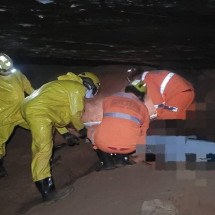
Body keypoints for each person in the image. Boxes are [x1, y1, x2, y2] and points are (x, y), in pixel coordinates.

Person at [21, 72, 100, 201]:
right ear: (91, 84)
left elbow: (54, 113)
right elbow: (75, 114)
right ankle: (48, 193)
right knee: (44, 150)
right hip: (38, 112)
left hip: (33, 108)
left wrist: (65, 133)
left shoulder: (63, 85)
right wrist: (82, 130)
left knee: (41, 147)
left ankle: (46, 190)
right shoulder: (77, 88)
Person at [88, 80, 150, 170]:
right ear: (141, 95)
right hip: (129, 147)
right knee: (138, 130)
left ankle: (106, 162)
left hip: (103, 145)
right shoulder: (143, 107)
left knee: (93, 128)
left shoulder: (108, 100)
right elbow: (145, 131)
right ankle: (122, 159)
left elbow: (111, 122)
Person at [0, 53, 34, 177]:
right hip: (4, 116)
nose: (9, 72)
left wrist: (39, 99)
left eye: (10, 69)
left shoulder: (17, 74)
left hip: (21, 112)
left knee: (39, 125)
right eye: (5, 71)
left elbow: (29, 88)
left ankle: (47, 149)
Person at [127, 68, 195, 120]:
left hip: (179, 94)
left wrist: (151, 117)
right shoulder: (152, 75)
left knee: (166, 119)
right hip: (186, 92)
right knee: (179, 117)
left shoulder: (146, 80)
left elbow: (156, 104)